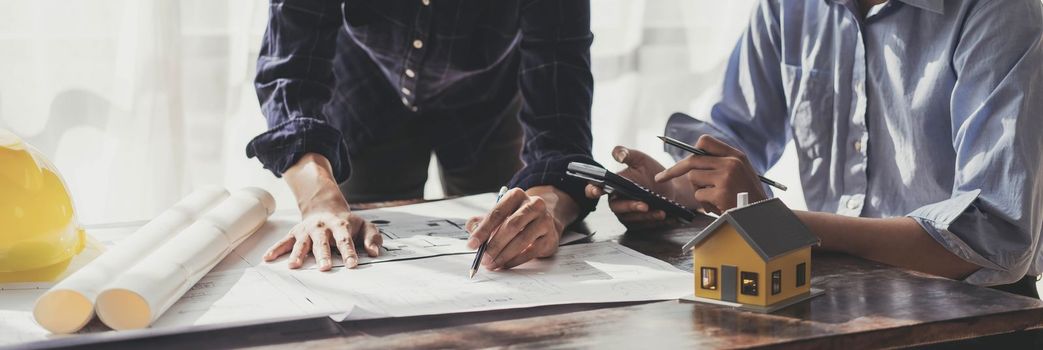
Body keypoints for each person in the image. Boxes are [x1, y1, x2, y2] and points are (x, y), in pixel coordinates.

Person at [589, 0, 1043, 297]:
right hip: (839, 296)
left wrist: (782, 226)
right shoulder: (788, 7)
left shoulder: (999, 11)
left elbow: (995, 238)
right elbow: (735, 147)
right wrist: (671, 190)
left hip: (976, 311)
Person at [246, 0, 600, 272]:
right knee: (353, 248)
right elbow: (289, 71)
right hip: (365, 97)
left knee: (512, 234)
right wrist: (318, 198)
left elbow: (560, 109)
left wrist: (549, 205)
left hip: (487, 103)